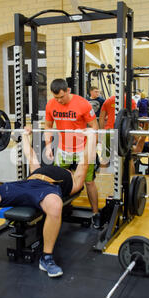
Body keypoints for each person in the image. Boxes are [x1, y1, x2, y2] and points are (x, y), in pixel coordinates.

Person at [0, 126, 97, 278]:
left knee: (55, 206)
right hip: (26, 185)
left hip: (49, 189)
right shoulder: (39, 169)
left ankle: (47, 258)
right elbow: (30, 154)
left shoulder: (74, 181)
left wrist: (91, 138)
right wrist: (25, 135)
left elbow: (84, 162)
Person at [43, 79, 102, 228]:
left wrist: (92, 147)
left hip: (83, 149)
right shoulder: (51, 104)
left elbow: (94, 126)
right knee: (58, 182)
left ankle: (95, 213)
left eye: (61, 97)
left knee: (89, 182)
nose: (59, 100)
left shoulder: (83, 103)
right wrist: (48, 146)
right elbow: (48, 126)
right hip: (64, 149)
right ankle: (61, 210)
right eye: (56, 97)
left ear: (68, 90)